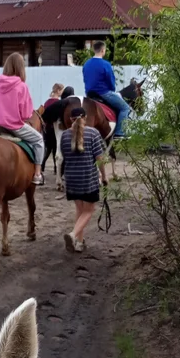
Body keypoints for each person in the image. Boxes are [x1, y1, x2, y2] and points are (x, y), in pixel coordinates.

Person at [0, 53, 45, 185]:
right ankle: (37, 174)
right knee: (39, 140)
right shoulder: (22, 86)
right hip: (13, 127)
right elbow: (26, 115)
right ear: (21, 68)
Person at [59, 107, 108, 252]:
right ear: (85, 118)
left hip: (71, 179)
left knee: (80, 209)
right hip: (88, 179)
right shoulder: (93, 133)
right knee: (89, 210)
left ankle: (79, 243)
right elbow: (99, 159)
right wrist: (104, 176)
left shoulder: (65, 135)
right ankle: (73, 235)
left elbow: (65, 157)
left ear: (70, 119)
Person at [82, 40, 131, 138]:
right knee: (125, 108)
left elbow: (85, 78)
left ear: (94, 50)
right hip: (104, 93)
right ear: (103, 50)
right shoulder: (105, 64)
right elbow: (110, 80)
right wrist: (112, 89)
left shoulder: (86, 63)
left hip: (90, 94)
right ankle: (119, 133)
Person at [41, 85, 75, 174]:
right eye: (62, 91)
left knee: (48, 150)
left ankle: (42, 167)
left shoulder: (47, 102)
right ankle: (57, 170)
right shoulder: (60, 103)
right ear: (58, 90)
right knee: (56, 148)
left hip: (48, 129)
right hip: (55, 129)